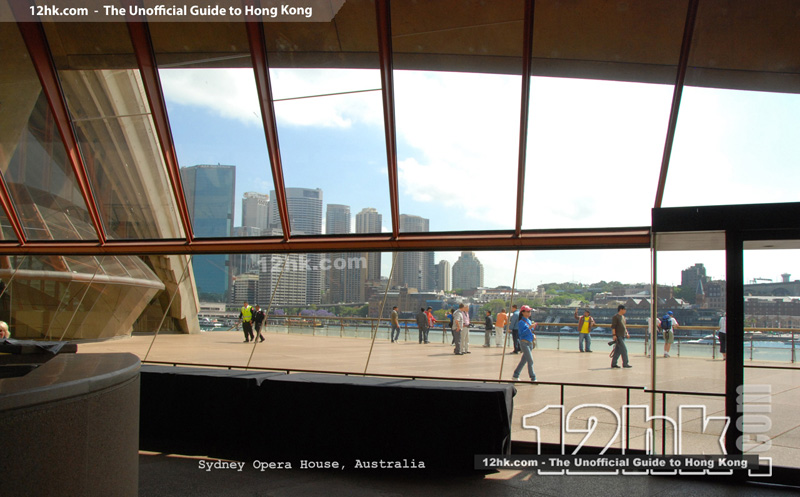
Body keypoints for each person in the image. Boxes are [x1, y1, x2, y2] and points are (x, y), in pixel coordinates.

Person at [512, 305, 537, 382]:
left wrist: (533, 335)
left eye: (530, 311)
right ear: (523, 312)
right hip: (524, 343)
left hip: (529, 343)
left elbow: (530, 332)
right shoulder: (521, 322)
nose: (529, 313)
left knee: (523, 361)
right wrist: (529, 328)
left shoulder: (528, 321)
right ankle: (533, 377)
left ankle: (515, 375)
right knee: (530, 360)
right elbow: (521, 334)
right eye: (528, 311)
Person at [610, 304, 632, 369]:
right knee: (624, 350)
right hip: (618, 336)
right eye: (624, 309)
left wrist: (627, 333)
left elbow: (624, 327)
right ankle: (625, 363)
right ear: (621, 309)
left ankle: (614, 364)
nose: (625, 311)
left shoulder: (623, 317)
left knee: (618, 351)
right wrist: (614, 335)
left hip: (623, 335)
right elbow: (613, 327)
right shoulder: (615, 317)